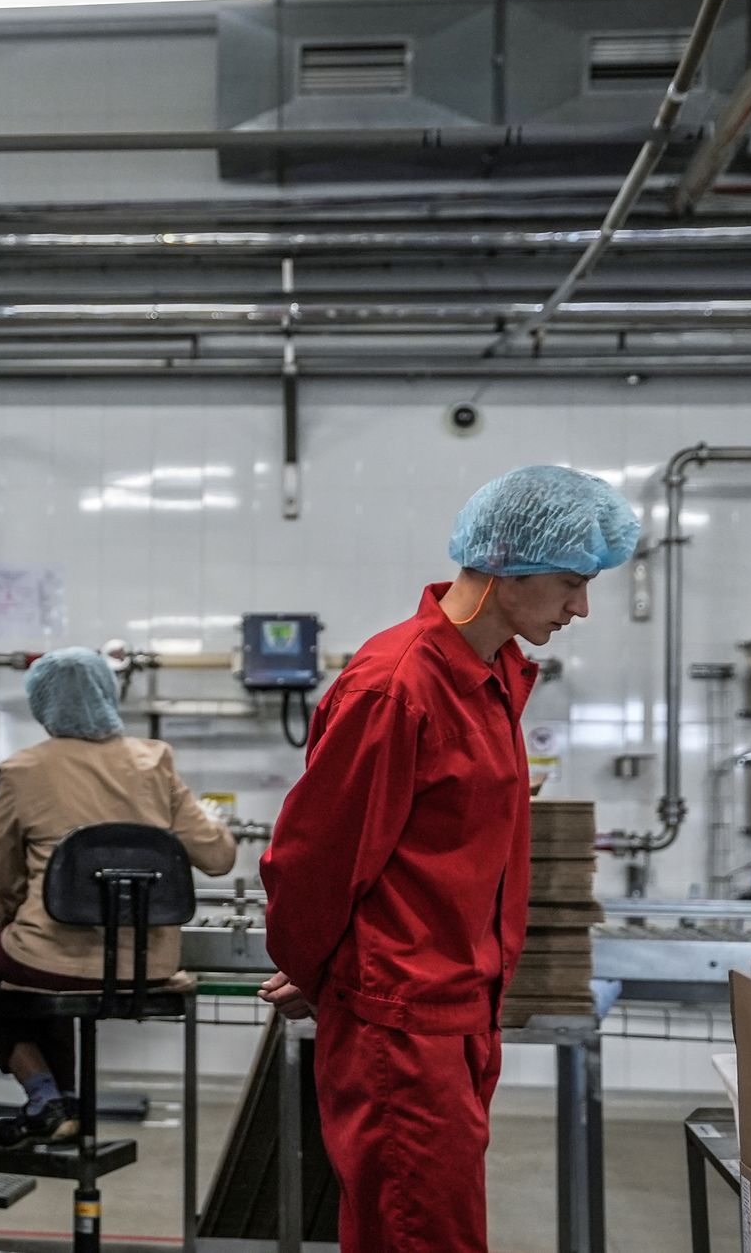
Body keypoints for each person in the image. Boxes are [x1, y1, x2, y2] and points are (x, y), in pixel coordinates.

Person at [257, 465, 638, 1253]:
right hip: (403, 1023)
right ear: (505, 566)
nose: (581, 607)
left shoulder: (493, 676)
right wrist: (333, 974)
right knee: (422, 1236)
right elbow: (314, 861)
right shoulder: (397, 688)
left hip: (459, 1012)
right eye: (570, 582)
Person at [0, 647, 236, 1146]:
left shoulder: (24, 769)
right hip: (148, 966)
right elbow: (219, 858)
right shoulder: (154, 761)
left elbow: (4, 869)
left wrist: (7, 920)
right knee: (34, 972)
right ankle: (60, 1104)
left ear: (42, 704)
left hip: (47, 958)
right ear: (107, 692)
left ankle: (45, 1095)